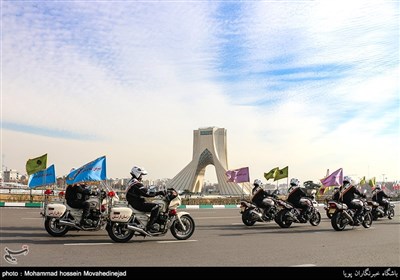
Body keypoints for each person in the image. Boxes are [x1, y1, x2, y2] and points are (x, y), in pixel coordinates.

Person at [125, 166, 166, 233]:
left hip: (134, 202)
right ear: (137, 174)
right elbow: (147, 193)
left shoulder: (132, 181)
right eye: (141, 175)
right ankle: (150, 226)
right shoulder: (136, 183)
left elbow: (144, 191)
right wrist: (159, 193)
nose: (141, 177)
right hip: (137, 203)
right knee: (156, 206)